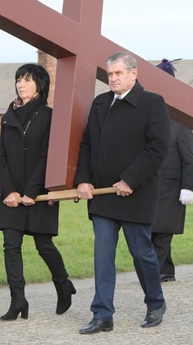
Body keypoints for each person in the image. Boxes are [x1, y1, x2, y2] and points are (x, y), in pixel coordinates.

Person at [75, 52, 171, 334]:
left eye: (118, 73)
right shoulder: (100, 103)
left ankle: (155, 302)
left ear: (133, 73)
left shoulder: (152, 103)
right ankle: (102, 315)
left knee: (141, 253)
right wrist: (83, 180)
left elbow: (158, 148)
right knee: (103, 255)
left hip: (135, 194)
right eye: (110, 74)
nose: (113, 78)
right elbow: (87, 144)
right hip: (103, 196)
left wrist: (129, 179)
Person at [0, 63, 75, 320]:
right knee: (11, 245)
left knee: (43, 245)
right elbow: (2, 157)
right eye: (19, 79)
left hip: (39, 193)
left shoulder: (49, 116)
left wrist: (31, 191)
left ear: (40, 86)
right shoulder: (8, 115)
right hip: (12, 195)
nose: (21, 84)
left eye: (27, 80)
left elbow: (47, 155)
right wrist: (9, 190)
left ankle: (63, 284)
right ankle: (17, 300)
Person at [151, 59, 193, 283]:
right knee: (151, 231)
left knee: (163, 232)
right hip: (149, 186)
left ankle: (152, 275)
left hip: (171, 189)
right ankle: (166, 271)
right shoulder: (148, 117)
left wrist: (188, 187)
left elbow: (189, 160)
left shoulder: (180, 122)